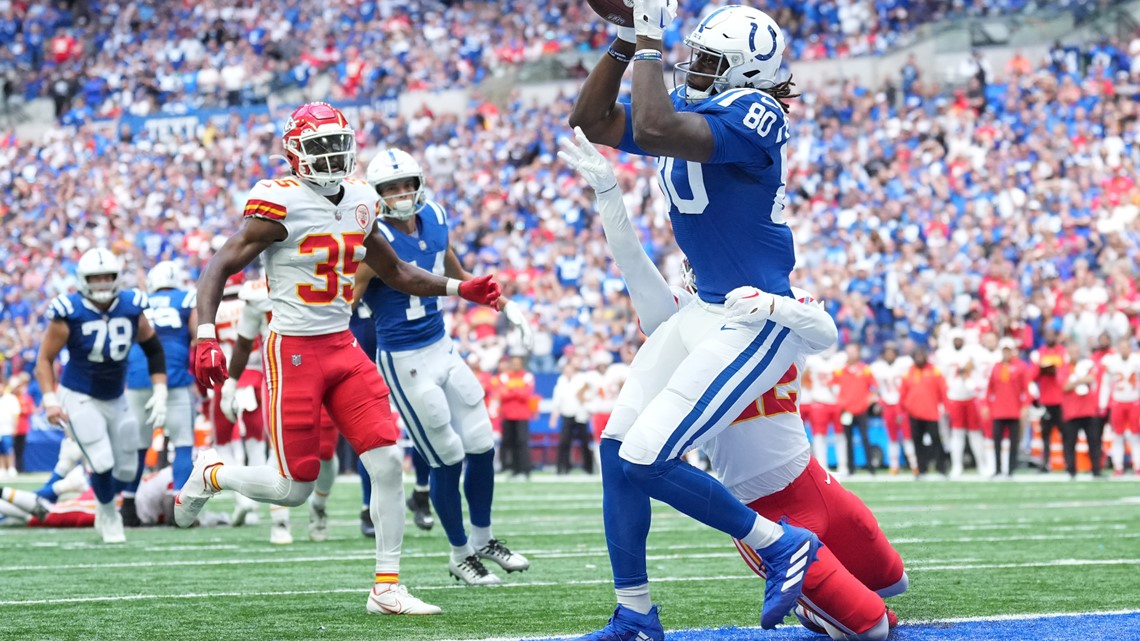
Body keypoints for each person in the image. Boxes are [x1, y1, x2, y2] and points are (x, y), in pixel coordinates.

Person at [561, 135, 903, 641]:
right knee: (874, 629)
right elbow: (634, 265)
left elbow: (824, 330)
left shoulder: (767, 303)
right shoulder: (681, 320)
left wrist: (772, 306)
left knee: (894, 581)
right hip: (762, 508)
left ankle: (815, 605)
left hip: (815, 481)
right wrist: (610, 196)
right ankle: (791, 580)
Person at [177, 102, 503, 615]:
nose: (330, 155)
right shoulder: (277, 201)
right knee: (292, 489)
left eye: (336, 144)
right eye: (319, 146)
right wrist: (204, 333)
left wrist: (461, 287)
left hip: (343, 346)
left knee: (388, 463)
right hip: (294, 352)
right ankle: (214, 472)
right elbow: (220, 264)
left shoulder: (358, 198)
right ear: (294, 153)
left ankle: (387, 586)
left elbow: (395, 271)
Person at [568, 2, 821, 634]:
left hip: (753, 315)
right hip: (702, 309)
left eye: (711, 62)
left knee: (650, 456)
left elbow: (652, 128)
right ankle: (634, 614)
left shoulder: (758, 116)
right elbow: (592, 119)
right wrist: (627, 40)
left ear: (747, 70)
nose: (695, 69)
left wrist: (650, 38)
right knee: (618, 448)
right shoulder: (703, 101)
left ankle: (777, 541)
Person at [354, 147, 532, 587]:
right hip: (403, 357)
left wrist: (501, 302)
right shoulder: (371, 239)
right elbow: (346, 301)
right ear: (376, 194)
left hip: (441, 345)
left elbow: (450, 268)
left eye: (405, 184)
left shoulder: (433, 215)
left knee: (481, 442)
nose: (400, 194)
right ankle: (459, 553)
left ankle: (485, 538)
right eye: (390, 188)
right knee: (446, 456)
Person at [34, 247, 168, 544]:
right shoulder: (69, 311)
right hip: (78, 394)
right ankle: (108, 514)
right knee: (102, 460)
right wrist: (50, 400)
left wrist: (160, 390)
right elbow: (44, 360)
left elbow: (154, 349)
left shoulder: (131, 306)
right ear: (83, 280)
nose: (102, 283)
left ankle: (95, 494)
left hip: (115, 395)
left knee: (127, 468)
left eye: (108, 276)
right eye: (95, 278)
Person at [219, 274, 339, 545]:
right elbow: (243, 341)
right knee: (278, 449)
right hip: (282, 377)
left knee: (326, 454)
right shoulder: (258, 291)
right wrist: (230, 386)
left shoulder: (321, 271)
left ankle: (318, 507)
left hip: (327, 369)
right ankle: (280, 521)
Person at [121, 261, 198, 526]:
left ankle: (128, 506)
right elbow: (198, 337)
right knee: (183, 443)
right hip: (174, 378)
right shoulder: (187, 298)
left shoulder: (139, 300)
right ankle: (179, 507)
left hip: (138, 378)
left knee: (137, 448)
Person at [938, 330, 985, 477]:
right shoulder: (944, 354)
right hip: (954, 396)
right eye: (955, 339)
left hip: (970, 396)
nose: (958, 341)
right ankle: (957, 465)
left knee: (975, 433)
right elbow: (941, 377)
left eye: (960, 339)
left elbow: (979, 372)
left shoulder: (972, 352)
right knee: (957, 433)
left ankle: (981, 465)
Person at [986, 338, 1031, 477]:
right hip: (998, 410)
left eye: (1008, 350)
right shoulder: (996, 367)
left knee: (1013, 442)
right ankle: (998, 469)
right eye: (1004, 350)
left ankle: (1011, 469)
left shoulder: (1021, 366)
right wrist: (987, 406)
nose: (1006, 353)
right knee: (997, 441)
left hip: (1014, 410)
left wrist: (1025, 406)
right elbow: (990, 389)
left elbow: (1026, 389)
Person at [899, 348, 947, 477]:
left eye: (921, 355)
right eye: (917, 355)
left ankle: (942, 468)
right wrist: (903, 410)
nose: (919, 357)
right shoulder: (908, 373)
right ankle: (921, 469)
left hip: (931, 412)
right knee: (917, 442)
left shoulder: (934, 372)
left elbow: (943, 390)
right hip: (914, 414)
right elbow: (902, 394)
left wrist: (945, 407)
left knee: (936, 440)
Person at [870, 343, 917, 475]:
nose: (890, 355)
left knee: (907, 436)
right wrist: (878, 400)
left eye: (892, 352)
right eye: (887, 352)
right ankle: (894, 466)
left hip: (901, 405)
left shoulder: (904, 364)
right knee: (892, 437)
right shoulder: (878, 367)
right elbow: (874, 387)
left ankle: (914, 465)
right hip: (887, 405)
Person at [1060, 343, 1102, 479]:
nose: (1074, 353)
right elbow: (1065, 386)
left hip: (1089, 410)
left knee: (1094, 442)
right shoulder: (1064, 368)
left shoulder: (1087, 365)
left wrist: (1076, 381)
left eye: (1076, 351)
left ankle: (1096, 470)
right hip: (1071, 411)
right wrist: (1081, 380)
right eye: (1071, 351)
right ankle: (1071, 471)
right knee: (1070, 443)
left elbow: (1092, 378)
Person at [834, 343, 876, 475]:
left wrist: (869, 401)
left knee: (865, 438)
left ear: (858, 353)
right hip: (846, 411)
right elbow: (832, 387)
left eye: (853, 351)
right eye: (848, 352)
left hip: (862, 410)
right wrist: (841, 402)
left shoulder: (865, 370)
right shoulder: (840, 371)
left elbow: (874, 387)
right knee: (848, 440)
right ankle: (850, 468)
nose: (851, 354)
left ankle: (871, 468)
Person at [1100, 338, 1140, 475]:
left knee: (1135, 436)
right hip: (1118, 401)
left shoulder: (1137, 360)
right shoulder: (1111, 361)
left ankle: (1137, 466)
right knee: (1118, 436)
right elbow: (1105, 382)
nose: (1124, 350)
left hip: (1134, 401)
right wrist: (1103, 403)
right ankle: (1118, 467)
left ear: (1131, 348)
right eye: (1121, 347)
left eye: (1126, 347)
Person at [1030, 328, 1067, 473]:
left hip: (1060, 400)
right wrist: (1041, 370)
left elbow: (1065, 372)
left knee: (1065, 433)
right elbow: (1032, 375)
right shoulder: (1040, 353)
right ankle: (1045, 463)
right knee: (1045, 434)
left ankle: (1067, 462)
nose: (1050, 337)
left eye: (1052, 335)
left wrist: (1055, 371)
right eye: (1048, 335)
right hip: (1046, 400)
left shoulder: (1062, 352)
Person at [497, 355, 536, 479]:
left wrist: (511, 391)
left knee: (522, 442)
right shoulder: (504, 376)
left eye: (518, 363)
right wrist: (518, 390)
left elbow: (527, 394)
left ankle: (525, 470)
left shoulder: (527, 376)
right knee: (509, 443)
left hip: (522, 415)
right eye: (513, 363)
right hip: (507, 414)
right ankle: (513, 469)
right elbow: (501, 394)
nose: (515, 365)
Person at [551, 360, 594, 474]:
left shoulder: (582, 378)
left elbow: (589, 394)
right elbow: (557, 400)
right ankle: (563, 468)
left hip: (580, 414)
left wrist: (586, 402)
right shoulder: (561, 380)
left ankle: (588, 467)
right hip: (567, 414)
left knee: (584, 442)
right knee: (564, 442)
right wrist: (554, 417)